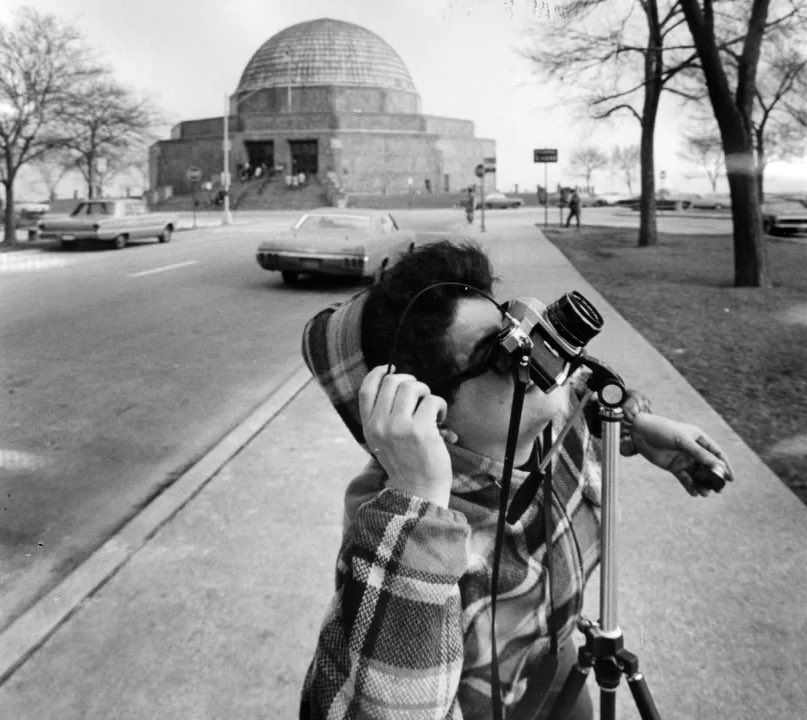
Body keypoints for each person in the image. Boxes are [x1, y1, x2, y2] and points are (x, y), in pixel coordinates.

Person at [299, 241, 732, 720]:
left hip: (559, 662)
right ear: (428, 413)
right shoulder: (406, 544)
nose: (537, 365)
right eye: (501, 354)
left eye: (513, 326)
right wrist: (418, 507)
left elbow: (583, 392)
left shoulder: (547, 424)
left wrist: (630, 425)